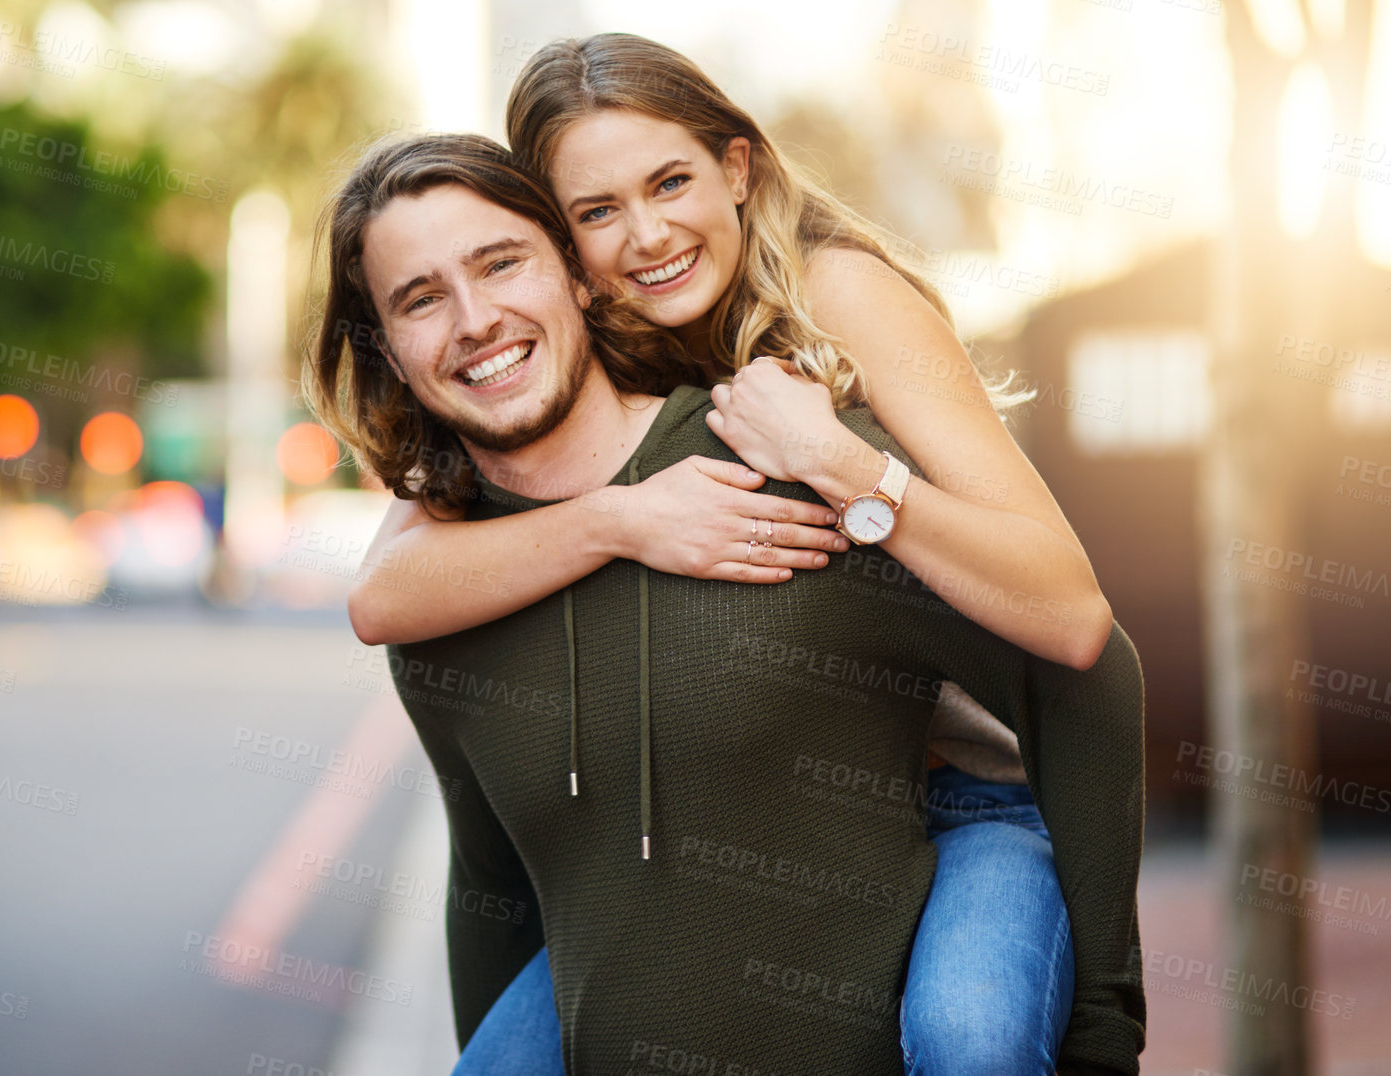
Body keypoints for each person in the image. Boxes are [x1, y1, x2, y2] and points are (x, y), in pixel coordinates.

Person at [343, 33, 1111, 1075]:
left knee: (968, 1034)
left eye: (669, 181)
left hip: (962, 781)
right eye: (596, 211)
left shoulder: (836, 292)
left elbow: (1075, 625)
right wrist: (623, 518)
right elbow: (386, 589)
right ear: (568, 249)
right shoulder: (584, 346)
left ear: (737, 168)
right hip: (799, 789)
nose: (645, 232)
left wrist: (839, 463)